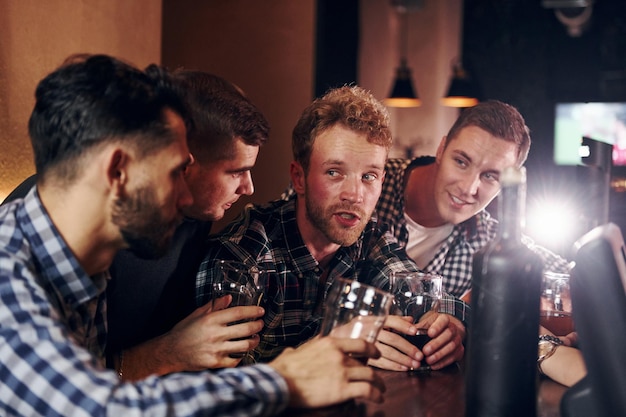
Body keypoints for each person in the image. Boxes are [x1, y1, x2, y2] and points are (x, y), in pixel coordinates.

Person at [0, 53, 385, 416]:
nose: (185, 196)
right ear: (117, 172)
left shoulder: (83, 262)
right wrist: (284, 380)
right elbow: (97, 408)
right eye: (174, 172)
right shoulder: (7, 275)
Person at [196, 85, 469, 373]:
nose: (355, 194)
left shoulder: (370, 240)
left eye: (369, 176)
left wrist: (452, 325)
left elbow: (428, 295)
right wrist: (334, 349)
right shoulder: (243, 253)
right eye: (334, 172)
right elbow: (221, 384)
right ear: (299, 178)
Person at [106, 70, 271, 379]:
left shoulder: (195, 217)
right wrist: (171, 353)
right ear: (185, 165)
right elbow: (48, 389)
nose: (248, 188)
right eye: (237, 172)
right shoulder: (82, 229)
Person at [375, 100, 571, 300]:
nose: (468, 188)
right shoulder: (373, 184)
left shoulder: (489, 239)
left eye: (490, 176)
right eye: (461, 162)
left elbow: (574, 278)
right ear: (441, 149)